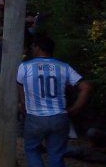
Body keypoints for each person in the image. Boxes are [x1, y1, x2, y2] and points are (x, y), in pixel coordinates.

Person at [18, 34, 92, 167]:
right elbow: (86, 87)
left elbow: (20, 89)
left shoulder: (25, 66)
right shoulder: (64, 67)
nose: (31, 49)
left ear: (38, 47)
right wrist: (75, 108)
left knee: (32, 149)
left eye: (33, 47)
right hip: (59, 117)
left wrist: (23, 106)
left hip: (35, 117)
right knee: (56, 154)